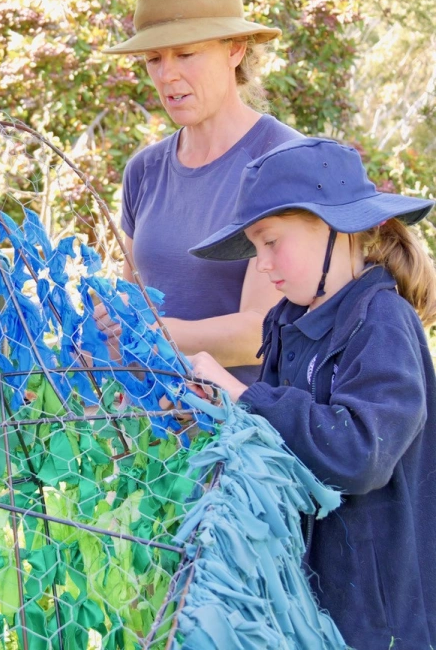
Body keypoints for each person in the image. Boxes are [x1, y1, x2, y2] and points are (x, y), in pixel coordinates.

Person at [186, 137, 436, 648]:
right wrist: (205, 408)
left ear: (332, 228)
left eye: (271, 242)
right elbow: (273, 447)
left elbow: (361, 454)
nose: (261, 263)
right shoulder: (287, 320)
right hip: (307, 598)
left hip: (377, 615)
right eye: (254, 247)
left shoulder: (382, 321)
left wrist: (243, 394)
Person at [100, 0, 301, 383]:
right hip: (152, 432)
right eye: (154, 58)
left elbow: (259, 334)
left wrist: (154, 334)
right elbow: (133, 301)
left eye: (187, 54)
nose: (167, 74)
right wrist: (110, 326)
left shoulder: (282, 161)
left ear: (235, 49)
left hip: (246, 434)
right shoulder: (144, 171)